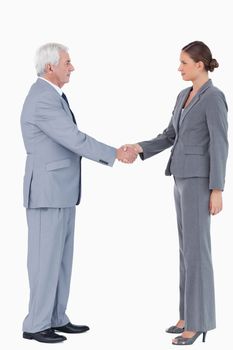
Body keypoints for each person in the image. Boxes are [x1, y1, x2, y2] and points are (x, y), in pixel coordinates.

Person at [20, 42, 137, 343]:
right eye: (67, 62)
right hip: (47, 192)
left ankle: (56, 317)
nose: (72, 68)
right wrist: (114, 153)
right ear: (50, 67)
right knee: (44, 261)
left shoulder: (53, 96)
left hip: (62, 191)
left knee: (60, 260)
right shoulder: (42, 98)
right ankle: (36, 324)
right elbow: (74, 139)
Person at [126, 41, 228, 345]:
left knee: (198, 253)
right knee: (186, 251)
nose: (179, 68)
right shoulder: (184, 95)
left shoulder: (214, 98)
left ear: (200, 65)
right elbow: (170, 135)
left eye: (184, 62)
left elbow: (219, 145)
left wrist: (217, 189)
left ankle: (199, 322)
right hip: (180, 178)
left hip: (200, 181)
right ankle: (187, 314)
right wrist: (140, 147)